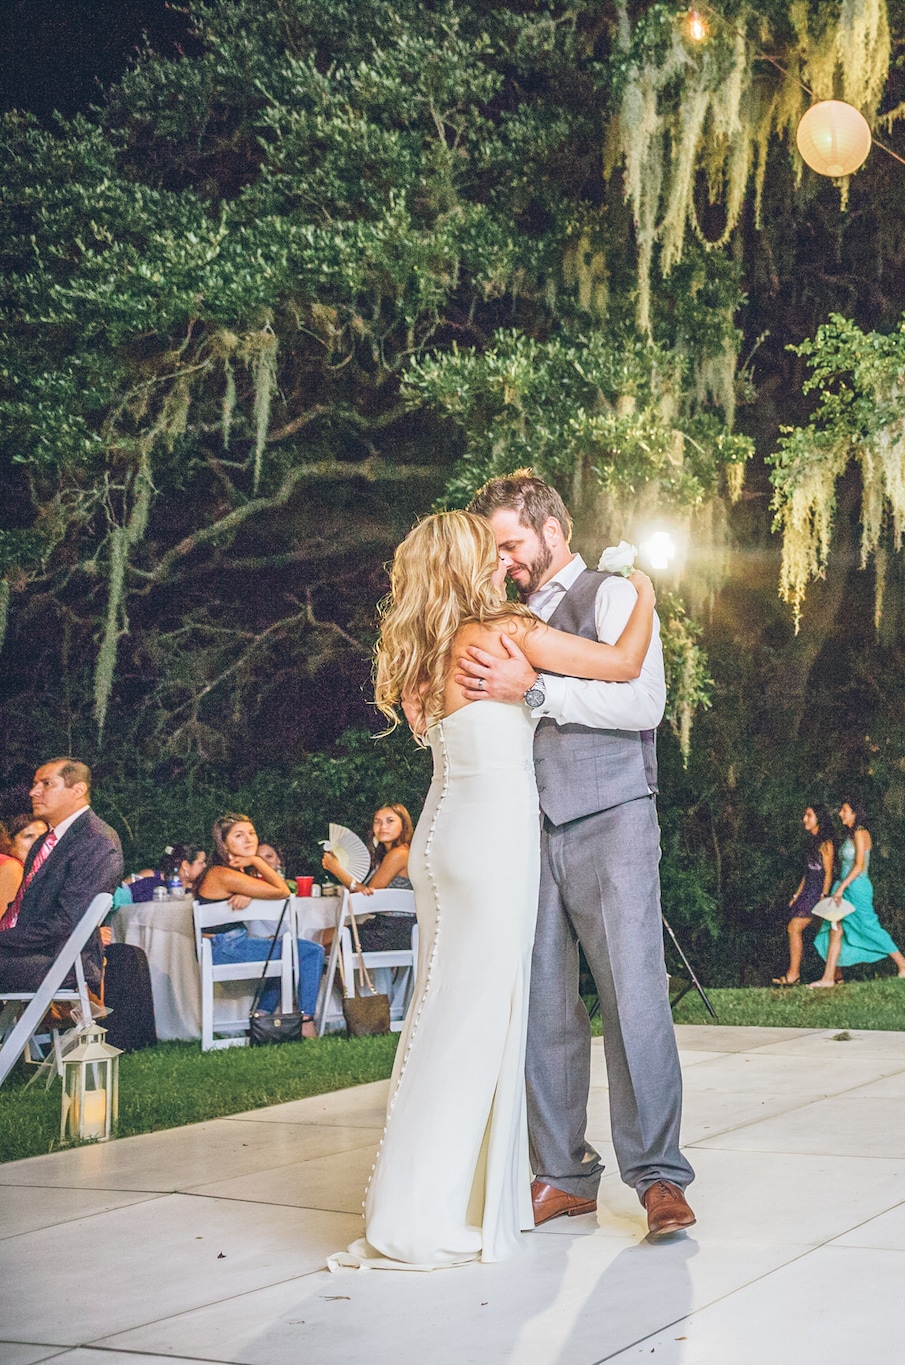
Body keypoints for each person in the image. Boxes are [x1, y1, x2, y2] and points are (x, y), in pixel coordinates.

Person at [330, 505, 661, 1272]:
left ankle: (420, 1197)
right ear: (466, 563)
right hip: (490, 844)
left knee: (440, 1016)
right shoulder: (502, 630)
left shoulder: (421, 654)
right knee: (479, 1024)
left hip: (439, 841)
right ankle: (431, 1207)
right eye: (490, 549)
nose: (502, 560)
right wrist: (643, 594)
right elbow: (622, 664)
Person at [453, 472, 696, 1245]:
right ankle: (561, 1173)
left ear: (552, 528)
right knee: (545, 1005)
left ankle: (658, 1174)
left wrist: (538, 693)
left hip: (613, 817)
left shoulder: (614, 595)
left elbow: (643, 701)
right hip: (525, 826)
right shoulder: (504, 618)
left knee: (633, 996)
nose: (506, 560)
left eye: (512, 544)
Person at [0, 760, 122, 992]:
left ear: (77, 790)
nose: (33, 792)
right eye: (35, 784)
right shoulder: (44, 843)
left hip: (62, 961)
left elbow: (66, 922)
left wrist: (4, 939)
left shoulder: (95, 841)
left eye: (46, 784)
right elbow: (24, 909)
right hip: (28, 954)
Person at [195, 814, 325, 1033]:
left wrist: (249, 892)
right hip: (226, 948)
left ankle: (262, 1016)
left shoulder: (228, 872)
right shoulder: (222, 873)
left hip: (227, 945)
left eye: (251, 833)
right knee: (310, 952)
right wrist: (256, 860)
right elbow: (282, 891)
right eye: (239, 835)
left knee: (280, 947)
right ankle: (305, 1022)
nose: (248, 839)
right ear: (224, 844)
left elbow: (267, 890)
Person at [811, 801, 905, 987]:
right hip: (843, 886)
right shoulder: (850, 835)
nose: (841, 814)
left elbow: (859, 865)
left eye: (844, 811)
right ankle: (828, 978)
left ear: (855, 813)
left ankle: (904, 964)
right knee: (835, 929)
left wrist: (842, 889)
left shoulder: (860, 833)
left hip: (857, 888)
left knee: (868, 926)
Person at [772, 806, 833, 986]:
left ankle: (793, 975)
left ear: (819, 819)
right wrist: (797, 894)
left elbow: (828, 872)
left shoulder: (825, 843)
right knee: (826, 932)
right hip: (808, 891)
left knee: (794, 927)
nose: (804, 819)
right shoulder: (811, 842)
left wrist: (824, 895)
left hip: (818, 892)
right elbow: (808, 872)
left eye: (809, 816)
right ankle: (836, 974)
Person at [322, 805, 414, 892]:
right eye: (377, 822)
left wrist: (336, 869)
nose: (383, 827)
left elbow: (370, 896)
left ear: (404, 825)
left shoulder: (398, 854)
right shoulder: (389, 853)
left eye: (390, 821)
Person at [116, 844, 201, 905]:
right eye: (201, 863)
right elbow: (120, 890)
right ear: (185, 865)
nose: (205, 866)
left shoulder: (200, 886)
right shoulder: (151, 876)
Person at [0, 813, 45, 924]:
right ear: (10, 841)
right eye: (28, 836)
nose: (37, 843)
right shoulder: (11, 867)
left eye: (43, 837)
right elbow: (7, 926)